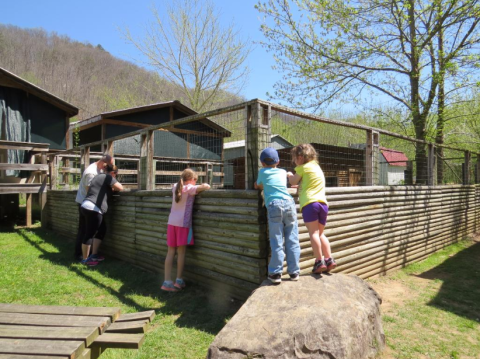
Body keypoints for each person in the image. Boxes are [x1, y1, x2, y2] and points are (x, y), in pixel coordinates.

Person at [287, 143, 337, 274]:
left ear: (300, 157)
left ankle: (319, 261)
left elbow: (293, 181)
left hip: (310, 204)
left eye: (294, 158)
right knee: (320, 234)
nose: (294, 161)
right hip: (323, 204)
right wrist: (301, 186)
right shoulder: (316, 167)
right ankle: (329, 259)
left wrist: (289, 174)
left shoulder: (302, 168)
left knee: (313, 234)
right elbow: (310, 183)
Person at [255, 147, 300, 284]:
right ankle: (294, 272)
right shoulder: (282, 172)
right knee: (292, 238)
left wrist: (260, 185)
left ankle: (275, 273)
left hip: (274, 205)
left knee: (277, 240)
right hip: (289, 203)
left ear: (262, 163)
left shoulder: (262, 172)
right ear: (278, 161)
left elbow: (258, 185)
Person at [161, 168, 211, 292]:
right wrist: (199, 185)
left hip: (171, 223)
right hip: (183, 224)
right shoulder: (189, 188)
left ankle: (167, 281)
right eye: (195, 180)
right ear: (192, 180)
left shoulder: (175, 186)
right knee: (181, 253)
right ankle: (179, 280)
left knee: (170, 252)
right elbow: (207, 186)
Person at [80, 164, 123, 266]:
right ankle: (86, 260)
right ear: (113, 173)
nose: (115, 177)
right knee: (89, 233)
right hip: (93, 208)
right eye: (116, 175)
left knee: (102, 229)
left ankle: (94, 255)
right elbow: (120, 187)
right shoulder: (107, 177)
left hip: (86, 205)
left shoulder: (98, 177)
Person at [74, 154, 114, 260]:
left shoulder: (100, 170)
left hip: (90, 205)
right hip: (87, 204)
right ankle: (80, 255)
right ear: (104, 163)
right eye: (109, 166)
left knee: (93, 230)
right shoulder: (91, 172)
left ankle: (90, 254)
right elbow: (90, 192)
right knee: (85, 230)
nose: (109, 168)